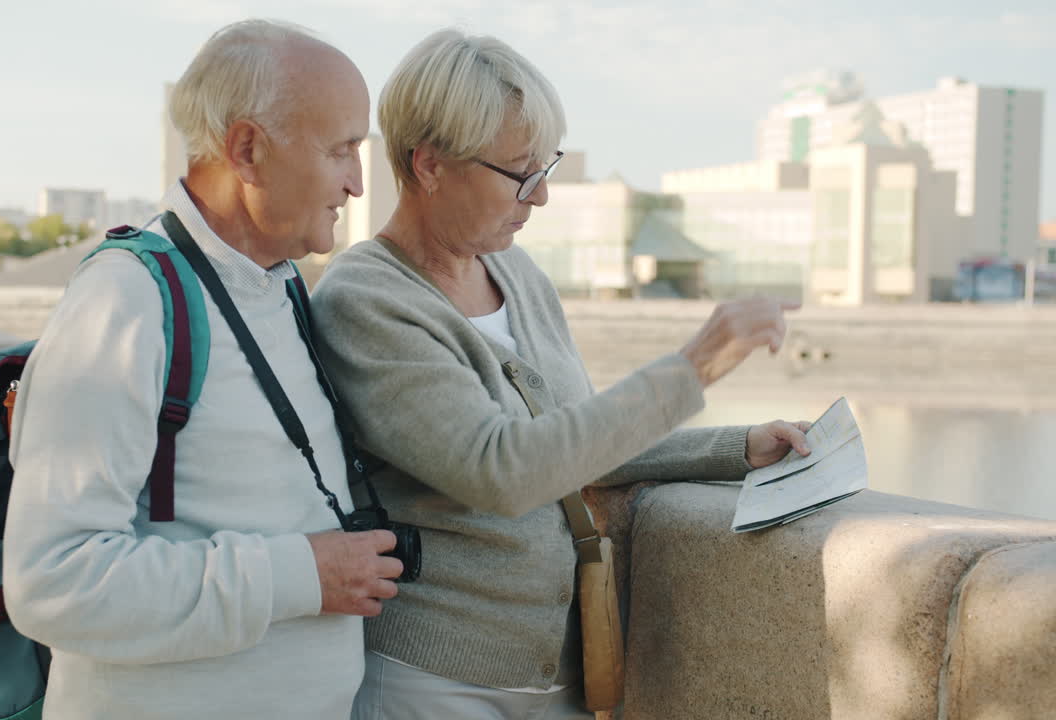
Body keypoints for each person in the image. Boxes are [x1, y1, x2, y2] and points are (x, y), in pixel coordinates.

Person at [311, 29, 812, 720]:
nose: (540, 196)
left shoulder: (517, 272)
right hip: (431, 681)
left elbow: (572, 443)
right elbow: (505, 470)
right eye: (521, 173)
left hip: (558, 676)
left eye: (545, 166)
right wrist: (695, 366)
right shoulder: (366, 299)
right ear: (429, 165)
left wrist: (732, 448)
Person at [2, 20, 402, 720]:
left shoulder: (278, 285)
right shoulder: (124, 299)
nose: (357, 181)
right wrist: (299, 575)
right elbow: (52, 581)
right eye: (342, 149)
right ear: (248, 149)